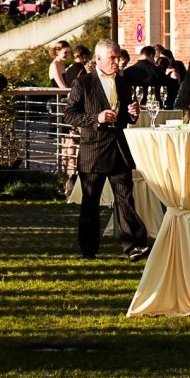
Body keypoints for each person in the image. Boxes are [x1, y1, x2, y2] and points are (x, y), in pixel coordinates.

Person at [64, 39, 151, 260]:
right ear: (98, 59)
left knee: (126, 197)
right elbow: (70, 115)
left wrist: (132, 113)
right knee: (90, 201)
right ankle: (89, 249)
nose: (117, 61)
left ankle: (134, 246)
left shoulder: (123, 81)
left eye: (118, 57)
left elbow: (125, 114)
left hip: (118, 149)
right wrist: (96, 118)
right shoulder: (83, 83)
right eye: (113, 58)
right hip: (93, 151)